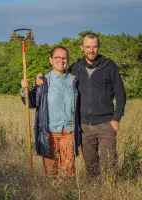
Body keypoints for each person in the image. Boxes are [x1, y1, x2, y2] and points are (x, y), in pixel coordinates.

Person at [35, 33, 126, 176]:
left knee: (109, 164)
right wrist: (39, 79)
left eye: (94, 47)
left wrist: (116, 119)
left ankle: (110, 191)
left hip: (105, 123)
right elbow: (59, 76)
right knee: (90, 165)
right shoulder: (76, 68)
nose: (91, 50)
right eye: (88, 47)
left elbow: (120, 94)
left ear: (99, 47)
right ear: (82, 47)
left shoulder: (109, 66)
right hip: (83, 126)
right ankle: (93, 192)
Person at [20, 46, 81, 179]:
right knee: (50, 172)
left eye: (64, 58)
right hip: (50, 132)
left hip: (69, 131)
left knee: (69, 171)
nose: (61, 60)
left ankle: (67, 195)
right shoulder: (43, 81)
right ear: (51, 60)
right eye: (57, 58)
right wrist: (24, 89)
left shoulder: (73, 80)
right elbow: (31, 103)